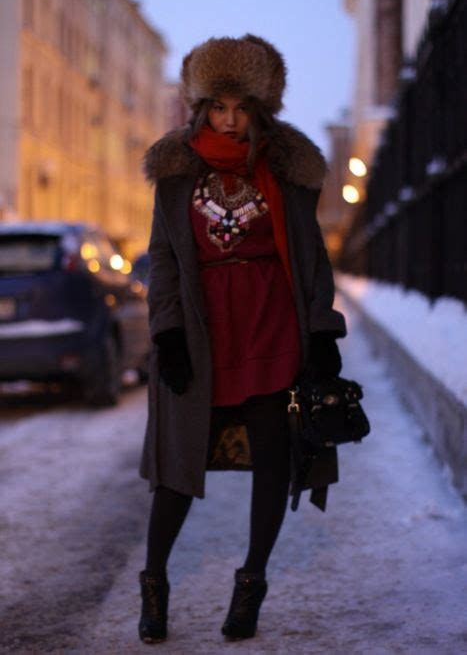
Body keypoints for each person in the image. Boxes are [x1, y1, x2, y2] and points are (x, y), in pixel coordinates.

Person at [138, 34, 346, 644]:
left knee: (274, 458)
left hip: (272, 322)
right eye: (218, 107)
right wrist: (167, 331)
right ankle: (154, 583)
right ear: (201, 107)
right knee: (177, 465)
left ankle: (251, 582)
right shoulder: (175, 168)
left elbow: (311, 256)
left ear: (261, 108)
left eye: (241, 108)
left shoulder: (287, 167)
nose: (229, 120)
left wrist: (322, 328)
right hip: (202, 329)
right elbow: (163, 258)